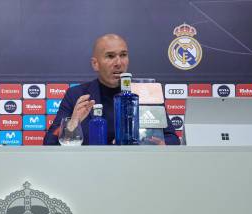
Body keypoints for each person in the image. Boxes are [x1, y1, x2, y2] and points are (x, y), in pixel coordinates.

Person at [43, 34, 180, 145]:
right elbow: (49, 142)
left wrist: (160, 145)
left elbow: (173, 139)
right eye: (110, 56)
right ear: (95, 64)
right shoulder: (77, 95)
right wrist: (72, 125)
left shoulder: (147, 93)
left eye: (123, 55)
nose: (119, 63)